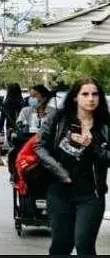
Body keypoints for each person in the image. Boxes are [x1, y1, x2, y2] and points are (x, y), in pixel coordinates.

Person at [36, 77, 110, 256]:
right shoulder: (59, 119)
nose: (91, 99)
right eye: (85, 94)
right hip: (60, 191)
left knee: (83, 244)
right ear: (75, 97)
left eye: (95, 94)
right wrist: (59, 171)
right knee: (61, 245)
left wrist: (92, 146)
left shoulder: (105, 125)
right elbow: (40, 148)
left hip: (91, 193)